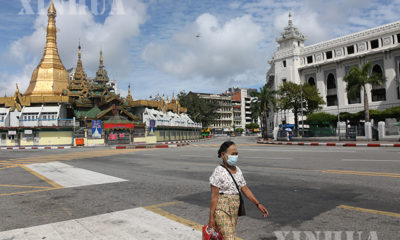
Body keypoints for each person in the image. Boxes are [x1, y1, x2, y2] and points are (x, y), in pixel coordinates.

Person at [208, 141, 269, 240]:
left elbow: (245, 188)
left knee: (228, 236)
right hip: (222, 210)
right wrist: (211, 218)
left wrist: (258, 204)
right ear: (223, 155)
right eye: (232, 154)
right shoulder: (218, 172)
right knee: (229, 238)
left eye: (236, 154)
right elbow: (214, 197)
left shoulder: (238, 170)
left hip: (234, 209)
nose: (235, 156)